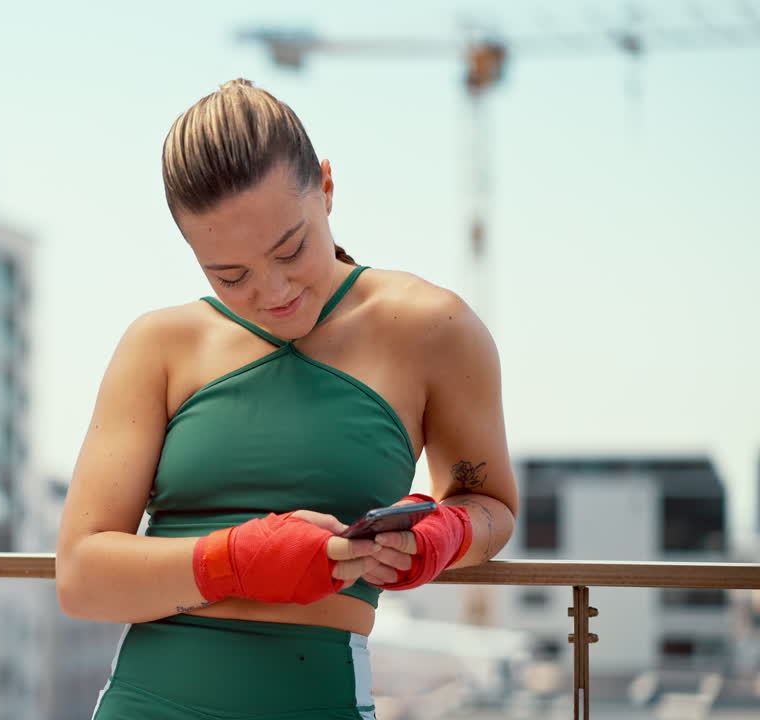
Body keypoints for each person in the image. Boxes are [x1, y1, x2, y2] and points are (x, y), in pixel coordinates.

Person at [55, 78, 520, 720]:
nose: (272, 292)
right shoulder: (158, 345)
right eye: (231, 275)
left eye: (290, 249)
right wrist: (234, 562)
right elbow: (81, 576)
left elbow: (490, 502)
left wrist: (443, 532)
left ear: (326, 188)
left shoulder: (434, 330)